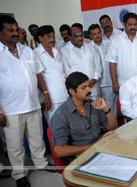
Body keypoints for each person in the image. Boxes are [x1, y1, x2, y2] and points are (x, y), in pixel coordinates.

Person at [0, 15, 54, 187]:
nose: (15, 33)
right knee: (15, 146)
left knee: (37, 138)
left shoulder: (27, 50)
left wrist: (45, 94)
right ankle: (19, 174)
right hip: (11, 109)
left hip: (32, 104)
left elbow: (38, 74)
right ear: (0, 33)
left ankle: (41, 163)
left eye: (16, 29)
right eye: (10, 30)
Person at [50, 72, 118, 165]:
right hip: (81, 157)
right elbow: (59, 151)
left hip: (101, 150)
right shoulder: (60, 115)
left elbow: (113, 127)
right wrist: (94, 146)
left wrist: (106, 109)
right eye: (84, 87)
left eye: (89, 86)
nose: (89, 89)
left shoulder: (93, 105)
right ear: (72, 91)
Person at [106, 12, 137, 94]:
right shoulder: (116, 41)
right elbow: (112, 63)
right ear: (124, 25)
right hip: (123, 84)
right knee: (125, 106)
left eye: (135, 24)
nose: (133, 27)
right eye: (130, 24)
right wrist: (114, 84)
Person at [34, 25, 68, 124]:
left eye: (53, 36)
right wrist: (46, 96)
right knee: (55, 127)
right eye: (49, 37)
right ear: (40, 38)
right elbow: (38, 76)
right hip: (51, 98)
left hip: (65, 95)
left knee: (68, 125)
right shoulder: (35, 54)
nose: (52, 39)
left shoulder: (56, 51)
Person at [61, 23, 102, 100]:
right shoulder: (64, 51)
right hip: (79, 92)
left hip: (93, 88)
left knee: (96, 111)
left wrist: (95, 78)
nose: (80, 38)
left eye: (81, 35)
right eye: (76, 36)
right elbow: (67, 72)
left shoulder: (90, 47)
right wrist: (81, 85)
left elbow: (98, 65)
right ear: (69, 37)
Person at [88, 24, 117, 117]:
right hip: (95, 85)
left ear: (101, 32)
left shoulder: (110, 44)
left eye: (98, 33)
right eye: (94, 34)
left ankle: (114, 128)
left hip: (109, 82)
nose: (97, 35)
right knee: (97, 108)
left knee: (111, 107)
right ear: (90, 36)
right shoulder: (88, 48)